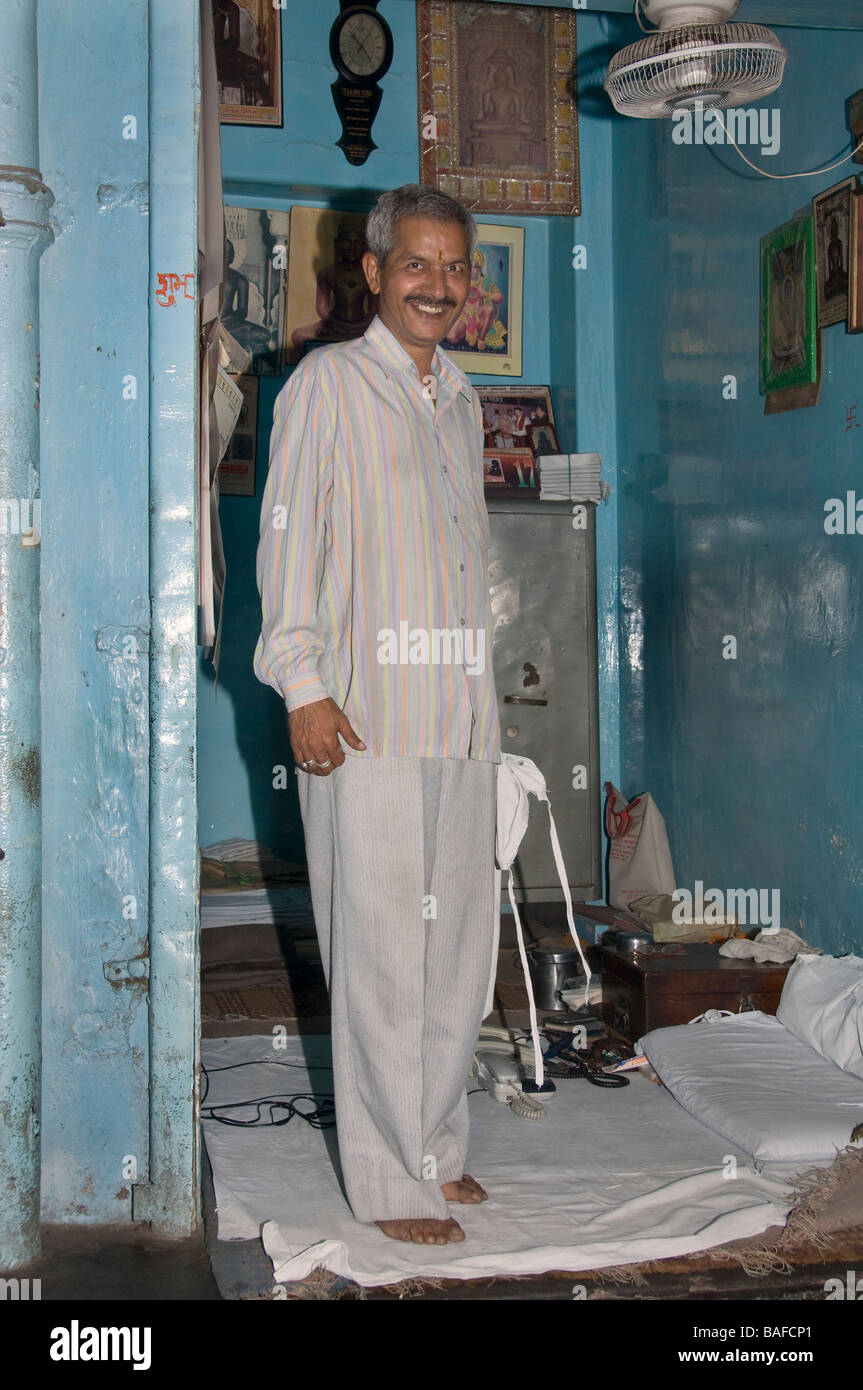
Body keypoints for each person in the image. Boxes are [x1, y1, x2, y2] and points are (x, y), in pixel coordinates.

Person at [254, 184, 502, 1247]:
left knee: (456, 955)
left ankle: (437, 1149)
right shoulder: (325, 384)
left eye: (453, 268)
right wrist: (301, 685)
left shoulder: (461, 399)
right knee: (381, 958)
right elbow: (286, 540)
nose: (436, 286)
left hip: (457, 713)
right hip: (361, 717)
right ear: (372, 272)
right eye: (416, 265)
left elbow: (466, 556)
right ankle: (388, 1179)